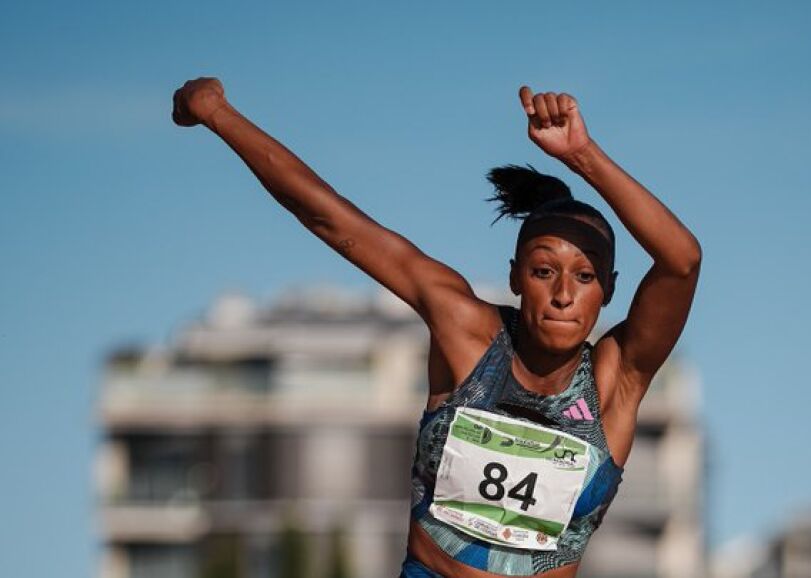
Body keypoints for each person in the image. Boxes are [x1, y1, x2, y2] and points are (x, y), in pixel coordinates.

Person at [172, 78, 701, 578]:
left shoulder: (615, 381)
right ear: (515, 277)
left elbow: (681, 260)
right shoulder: (467, 333)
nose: (563, 294)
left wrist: (582, 155)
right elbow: (328, 217)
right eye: (544, 271)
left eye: (584, 277)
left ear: (608, 288)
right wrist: (217, 113)